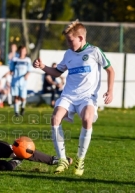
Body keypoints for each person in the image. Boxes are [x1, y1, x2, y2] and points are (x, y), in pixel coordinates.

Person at [33, 19, 115, 176]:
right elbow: (57, 72)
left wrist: (110, 91)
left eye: (71, 41)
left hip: (87, 97)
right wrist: (43, 67)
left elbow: (110, 70)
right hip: (69, 95)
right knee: (55, 118)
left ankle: (80, 159)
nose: (69, 44)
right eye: (67, 41)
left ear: (81, 38)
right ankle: (63, 159)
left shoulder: (94, 51)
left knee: (87, 119)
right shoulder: (68, 54)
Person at [9, 46, 32, 116]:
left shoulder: (27, 60)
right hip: (15, 81)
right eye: (21, 50)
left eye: (24, 50)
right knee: (16, 96)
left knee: (23, 97)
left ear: (26, 52)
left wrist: (27, 75)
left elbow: (29, 70)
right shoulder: (15, 59)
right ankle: (16, 112)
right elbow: (11, 69)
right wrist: (11, 72)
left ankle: (22, 107)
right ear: (19, 51)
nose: (22, 52)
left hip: (23, 82)